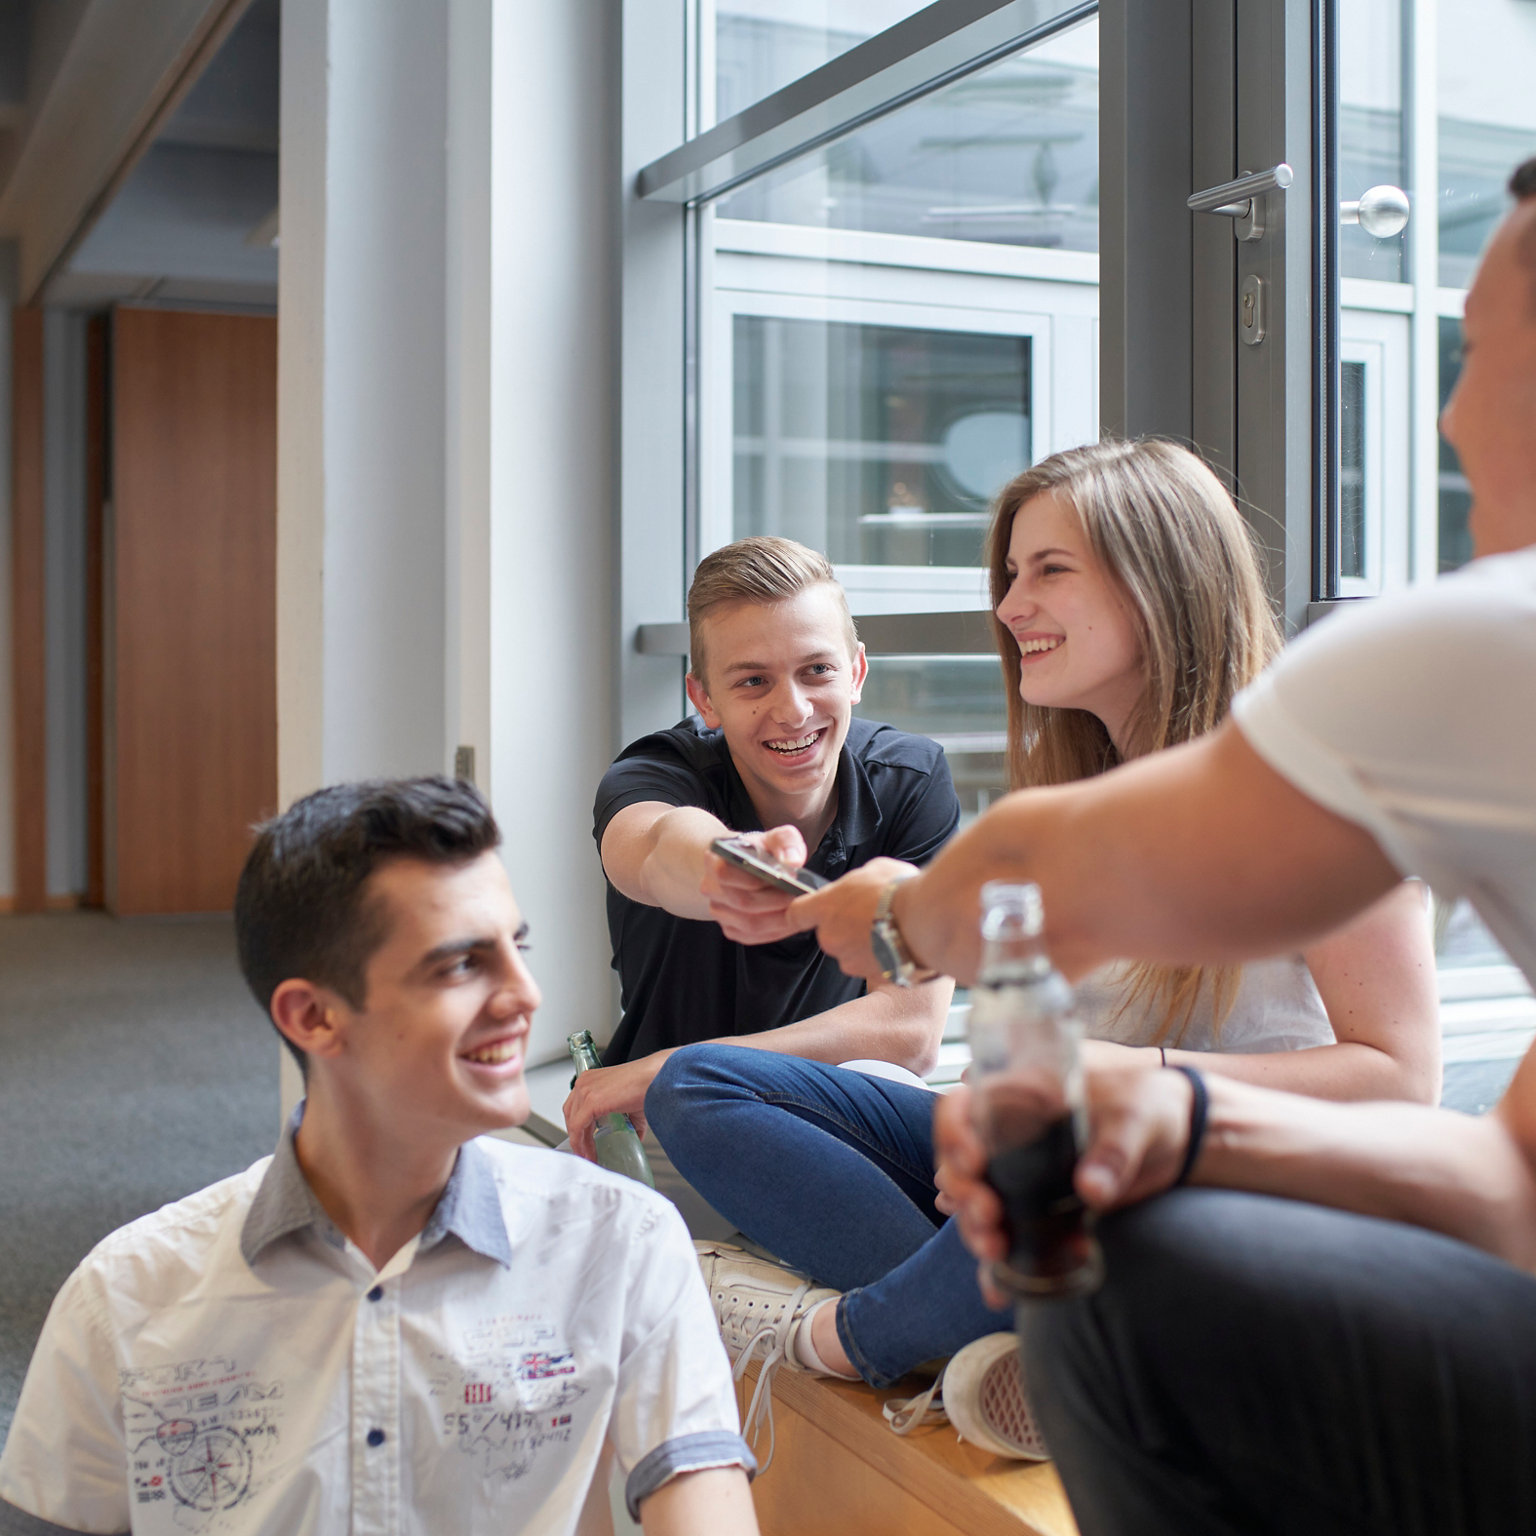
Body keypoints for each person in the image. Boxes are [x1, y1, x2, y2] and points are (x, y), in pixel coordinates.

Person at [793, 157, 1536, 1536]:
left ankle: (905, 1325)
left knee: (1103, 1263)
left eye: (1485, 348)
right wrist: (1184, 1120)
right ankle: (936, 1313)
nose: (1444, 412)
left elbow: (1045, 875)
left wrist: (901, 924)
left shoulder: (1487, 648)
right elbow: (1513, 1183)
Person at [643, 440, 1437, 1455]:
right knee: (703, 1086)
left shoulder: (1315, 787)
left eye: (1049, 571)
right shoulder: (1074, 806)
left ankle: (854, 1335)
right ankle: (1004, 1327)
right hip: (1070, 1166)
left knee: (1044, 1158)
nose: (1012, 608)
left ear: (1163, 575)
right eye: (1011, 576)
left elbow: (1401, 1081)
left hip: (1220, 1185)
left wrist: (1113, 1079)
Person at [0, 778, 757, 1536]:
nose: (524, 995)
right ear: (314, 1016)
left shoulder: (619, 1242)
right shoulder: (128, 1297)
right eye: (462, 965)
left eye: (516, 949)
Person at [565, 537, 960, 1187]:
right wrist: (723, 867)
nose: (793, 710)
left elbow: (910, 1030)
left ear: (857, 672)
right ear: (704, 697)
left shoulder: (911, 780)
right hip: (659, 1130)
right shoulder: (653, 773)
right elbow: (661, 845)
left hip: (823, 1124)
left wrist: (671, 1065)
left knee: (886, 1083)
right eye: (753, 680)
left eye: (817, 671)